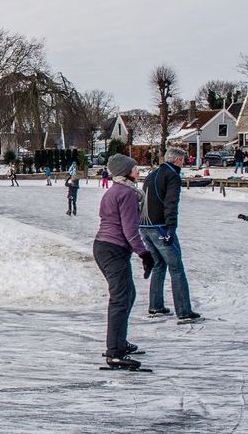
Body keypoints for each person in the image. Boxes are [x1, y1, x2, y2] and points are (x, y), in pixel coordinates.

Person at [93, 154, 155, 370]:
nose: (138, 171)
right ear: (126, 172)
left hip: (106, 248)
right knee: (120, 298)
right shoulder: (127, 194)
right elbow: (130, 230)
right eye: (135, 168)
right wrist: (144, 254)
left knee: (128, 294)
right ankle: (114, 352)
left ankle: (119, 342)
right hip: (112, 249)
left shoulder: (115, 191)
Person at [140, 147, 201, 322]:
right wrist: (171, 228)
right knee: (176, 268)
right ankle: (183, 311)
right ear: (177, 161)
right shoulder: (172, 175)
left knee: (159, 265)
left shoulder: (153, 174)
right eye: (183, 160)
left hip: (145, 226)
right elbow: (171, 202)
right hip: (160, 227)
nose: (184, 163)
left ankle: (155, 305)